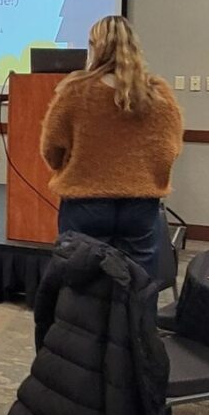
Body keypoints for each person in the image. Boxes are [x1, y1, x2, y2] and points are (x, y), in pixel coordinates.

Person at [39, 15, 183, 272]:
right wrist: (147, 177)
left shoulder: (75, 91)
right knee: (139, 284)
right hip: (140, 204)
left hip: (85, 202)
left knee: (81, 283)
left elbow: (51, 148)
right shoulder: (159, 94)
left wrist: (71, 168)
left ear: (96, 48)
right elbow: (169, 151)